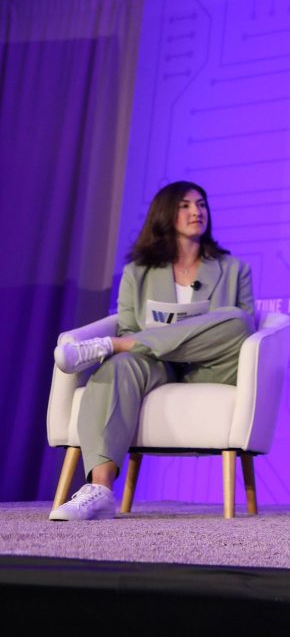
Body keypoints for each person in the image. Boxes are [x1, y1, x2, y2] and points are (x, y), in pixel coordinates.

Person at [50, 181, 256, 521]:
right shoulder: (138, 272)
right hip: (155, 365)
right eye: (185, 205)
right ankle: (99, 490)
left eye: (201, 204)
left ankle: (110, 346)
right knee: (117, 368)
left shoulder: (235, 270)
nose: (196, 211)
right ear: (165, 214)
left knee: (236, 319)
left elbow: (240, 332)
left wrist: (130, 341)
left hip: (209, 366)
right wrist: (143, 342)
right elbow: (130, 325)